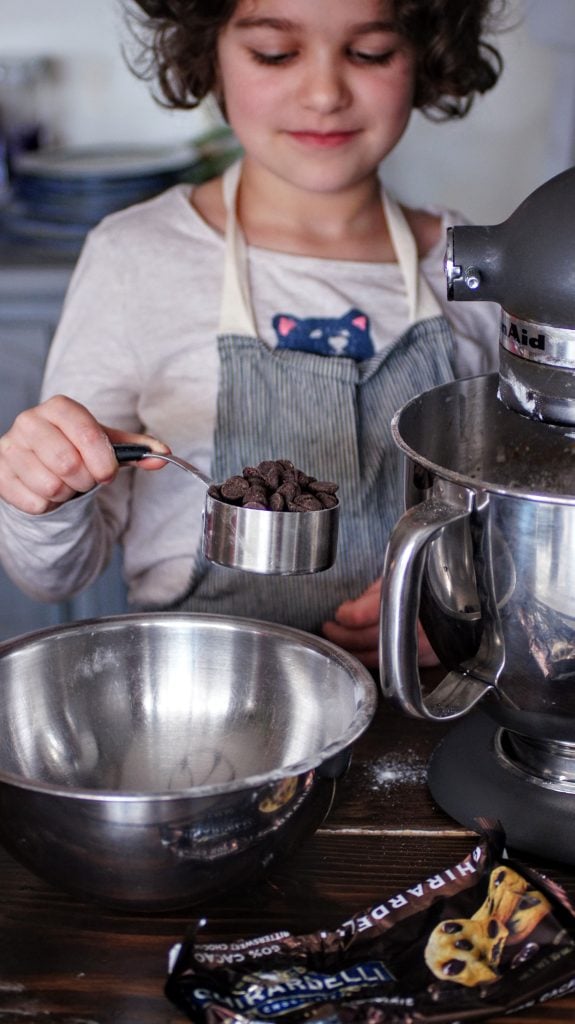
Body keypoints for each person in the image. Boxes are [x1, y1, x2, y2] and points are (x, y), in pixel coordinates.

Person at [0, 0, 506, 669]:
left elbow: (514, 530)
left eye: (370, 53)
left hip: (413, 711)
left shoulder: (471, 266)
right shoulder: (135, 258)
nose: (324, 93)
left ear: (425, 56)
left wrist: (461, 607)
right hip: (195, 710)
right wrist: (43, 490)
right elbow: (53, 576)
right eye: (275, 53)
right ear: (209, 52)